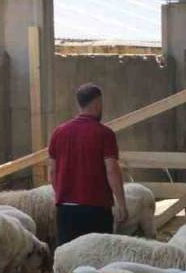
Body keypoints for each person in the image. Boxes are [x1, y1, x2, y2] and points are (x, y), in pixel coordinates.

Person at [47, 83, 128, 246]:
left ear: (80, 104)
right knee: (97, 258)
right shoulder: (105, 134)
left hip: (66, 210)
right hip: (96, 208)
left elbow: (52, 172)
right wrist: (121, 204)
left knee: (69, 258)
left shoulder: (58, 132)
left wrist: (62, 197)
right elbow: (111, 170)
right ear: (97, 102)